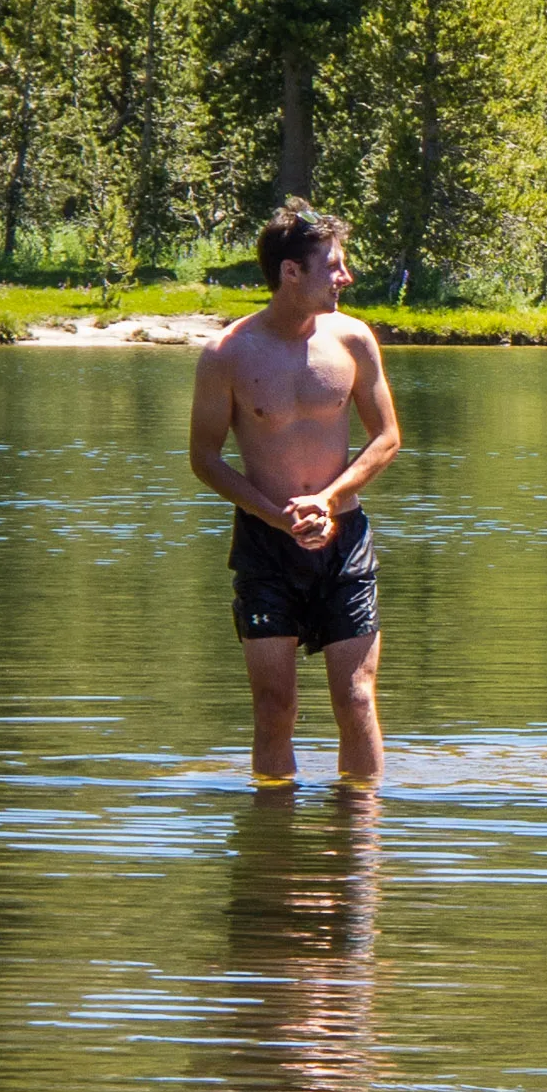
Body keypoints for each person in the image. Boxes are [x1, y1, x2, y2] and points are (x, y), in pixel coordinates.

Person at [189, 201, 402, 783]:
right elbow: (204, 459)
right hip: (266, 545)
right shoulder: (227, 355)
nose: (346, 277)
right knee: (273, 707)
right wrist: (280, 518)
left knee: (356, 700)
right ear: (290, 272)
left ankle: (361, 848)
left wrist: (328, 500)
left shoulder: (353, 340)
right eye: (333, 265)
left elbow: (387, 439)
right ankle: (273, 848)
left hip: (344, 541)